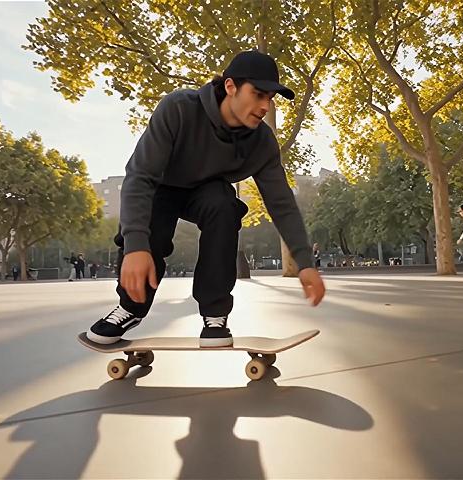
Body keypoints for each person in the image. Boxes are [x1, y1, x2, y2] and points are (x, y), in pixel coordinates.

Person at [87, 50, 326, 347]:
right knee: (151, 232)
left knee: (224, 206)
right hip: (160, 185)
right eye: (258, 95)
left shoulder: (261, 142)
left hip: (206, 191)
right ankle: (130, 308)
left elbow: (282, 203)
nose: (265, 106)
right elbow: (139, 176)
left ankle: (215, 314)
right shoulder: (179, 108)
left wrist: (305, 263)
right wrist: (136, 246)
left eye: (270, 99)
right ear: (230, 87)